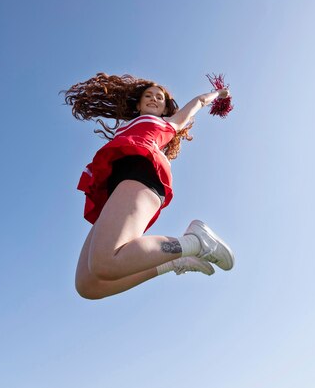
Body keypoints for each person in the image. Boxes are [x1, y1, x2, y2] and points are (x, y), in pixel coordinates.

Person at [64, 73, 235, 299]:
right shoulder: (128, 125)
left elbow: (199, 102)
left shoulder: (168, 124)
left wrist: (219, 94)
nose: (154, 98)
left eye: (160, 98)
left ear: (166, 109)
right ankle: (175, 261)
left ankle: (195, 242)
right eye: (148, 95)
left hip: (142, 172)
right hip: (119, 185)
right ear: (138, 103)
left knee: (106, 261)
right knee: (87, 285)